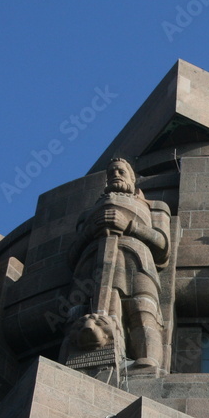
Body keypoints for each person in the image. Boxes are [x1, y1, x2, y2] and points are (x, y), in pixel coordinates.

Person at [68, 158, 171, 370]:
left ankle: (148, 359)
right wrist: (91, 230)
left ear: (132, 178)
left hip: (136, 259)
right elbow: (71, 255)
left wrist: (130, 225)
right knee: (80, 313)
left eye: (121, 171)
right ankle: (81, 359)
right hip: (91, 264)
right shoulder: (87, 214)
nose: (115, 175)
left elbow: (163, 246)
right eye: (111, 172)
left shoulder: (155, 208)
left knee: (143, 308)